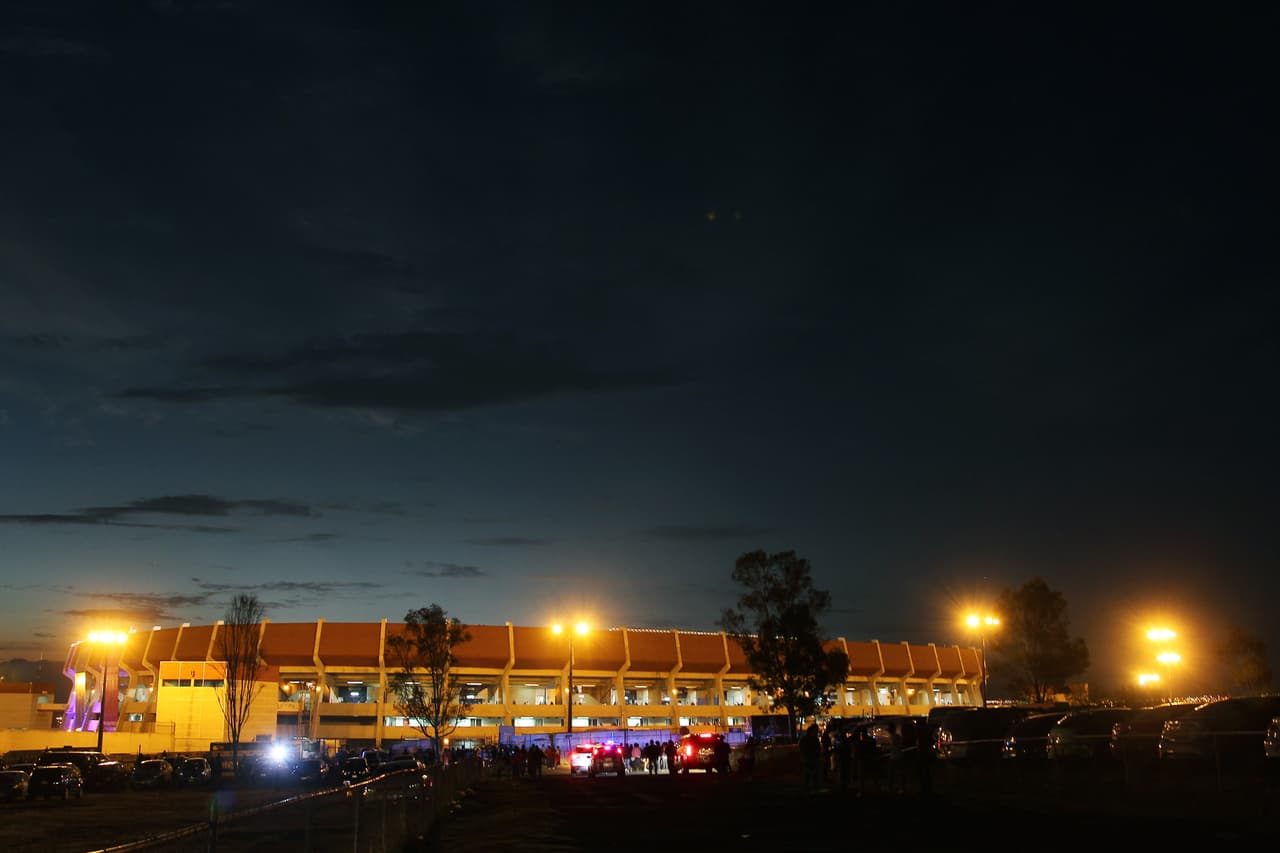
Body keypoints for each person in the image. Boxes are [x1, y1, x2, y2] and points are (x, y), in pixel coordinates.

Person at [799, 723, 823, 794]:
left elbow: (802, 749)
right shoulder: (813, 739)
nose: (816, 732)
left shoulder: (806, 739)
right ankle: (812, 789)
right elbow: (817, 749)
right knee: (812, 775)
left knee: (809, 775)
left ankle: (808, 789)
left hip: (810, 759)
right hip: (811, 759)